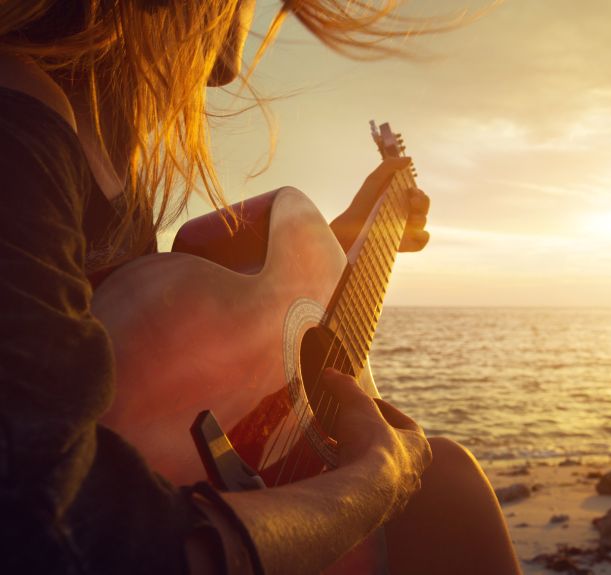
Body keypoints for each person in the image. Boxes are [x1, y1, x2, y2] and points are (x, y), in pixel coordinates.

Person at [0, 1, 522, 573]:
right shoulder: (19, 124)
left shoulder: (94, 157)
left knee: (444, 476)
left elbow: (164, 356)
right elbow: (52, 532)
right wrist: (371, 484)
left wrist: (347, 239)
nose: (228, 58)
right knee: (443, 485)